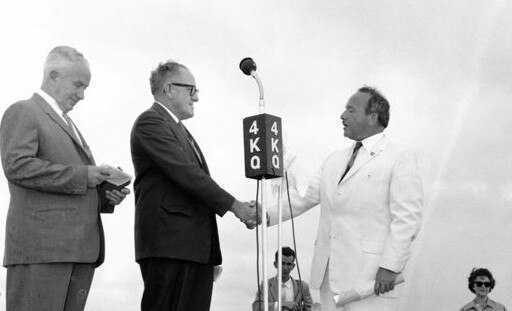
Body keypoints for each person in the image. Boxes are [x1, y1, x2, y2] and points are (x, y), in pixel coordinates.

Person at [268, 86, 423, 310]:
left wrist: (391, 266)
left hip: (371, 279)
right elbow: (305, 196)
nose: (342, 116)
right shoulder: (334, 160)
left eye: (351, 110)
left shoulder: (399, 158)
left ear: (373, 116)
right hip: (329, 278)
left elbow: (407, 219)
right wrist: (263, 213)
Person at [0, 46, 129, 311]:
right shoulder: (23, 110)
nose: (82, 95)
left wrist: (105, 195)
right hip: (43, 252)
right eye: (78, 85)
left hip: (79, 251)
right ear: (54, 76)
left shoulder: (69, 124)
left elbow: (74, 183)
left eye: (86, 88)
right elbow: (17, 166)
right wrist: (84, 175)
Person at [130, 60, 260, 311]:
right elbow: (186, 173)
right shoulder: (151, 123)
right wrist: (236, 206)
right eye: (192, 90)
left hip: (193, 251)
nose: (197, 97)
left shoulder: (180, 130)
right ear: (169, 89)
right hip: (171, 247)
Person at [252, 247, 313, 311]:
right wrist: (281, 304)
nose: (285, 268)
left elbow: (310, 308)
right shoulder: (265, 285)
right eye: (282, 263)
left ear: (293, 266)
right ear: (275, 264)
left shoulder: (302, 286)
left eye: (289, 264)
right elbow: (257, 307)